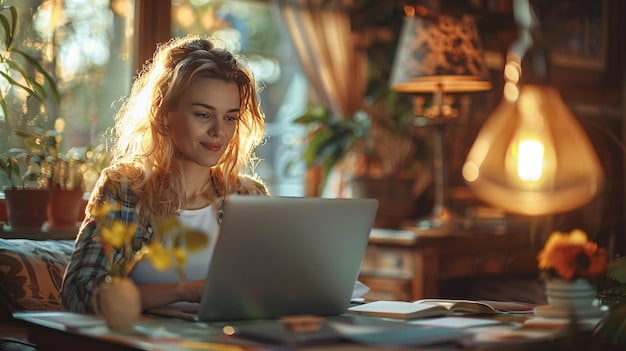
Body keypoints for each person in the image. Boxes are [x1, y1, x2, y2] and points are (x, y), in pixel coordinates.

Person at [61, 35, 268, 314]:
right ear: (165, 114)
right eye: (203, 115)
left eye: (230, 117)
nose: (219, 131)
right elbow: (78, 294)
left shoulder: (248, 196)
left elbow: (268, 293)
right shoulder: (124, 190)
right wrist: (185, 290)